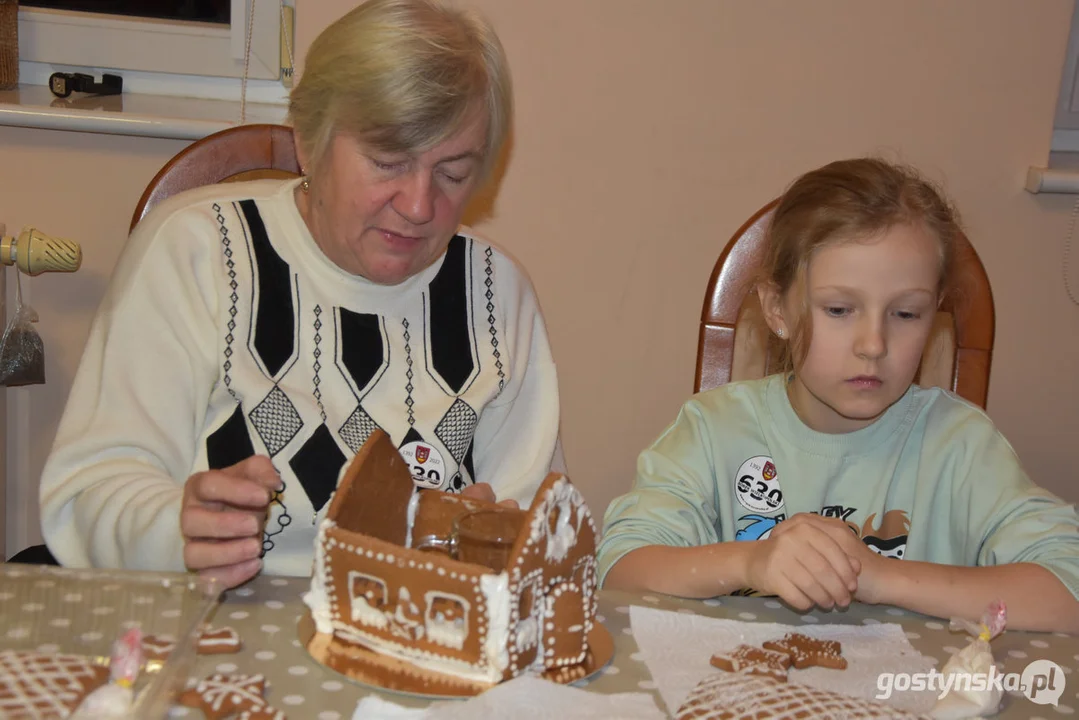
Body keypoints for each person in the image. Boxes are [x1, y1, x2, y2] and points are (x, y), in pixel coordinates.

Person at [39, 0, 563, 590]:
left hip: (421, 642)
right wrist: (171, 532)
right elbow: (87, 495)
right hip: (219, 631)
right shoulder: (198, 253)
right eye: (388, 161)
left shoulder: (496, 296)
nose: (419, 206)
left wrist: (498, 550)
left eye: (453, 172)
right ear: (310, 143)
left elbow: (536, 535)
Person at [597, 158, 1079, 633]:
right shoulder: (712, 430)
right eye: (840, 309)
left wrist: (877, 576)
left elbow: (1067, 590)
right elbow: (620, 570)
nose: (873, 345)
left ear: (935, 313)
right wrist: (751, 563)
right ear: (777, 310)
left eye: (906, 314)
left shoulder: (960, 446)